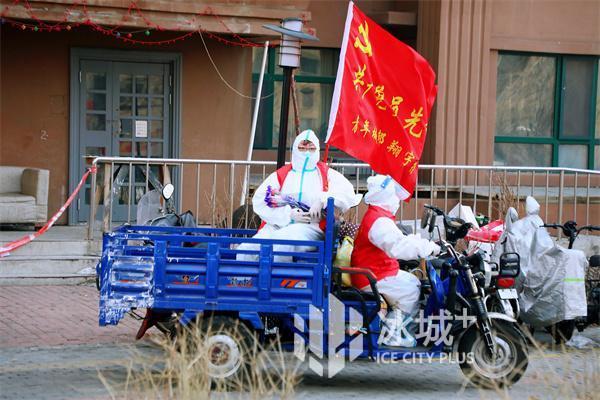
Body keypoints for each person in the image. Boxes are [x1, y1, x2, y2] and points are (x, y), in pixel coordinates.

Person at [237, 129, 361, 262]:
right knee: (246, 249)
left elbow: (347, 193)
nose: (306, 152)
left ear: (317, 150)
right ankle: (246, 281)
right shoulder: (281, 175)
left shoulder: (327, 175)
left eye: (311, 148)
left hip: (310, 227)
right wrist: (287, 214)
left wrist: (322, 200)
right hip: (276, 225)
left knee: (282, 243)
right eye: (302, 148)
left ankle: (278, 281)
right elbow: (260, 201)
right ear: (295, 149)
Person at [351, 174, 440, 347]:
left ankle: (397, 328)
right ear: (386, 197)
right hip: (373, 274)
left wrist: (423, 243)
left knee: (413, 282)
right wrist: (427, 248)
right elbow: (399, 247)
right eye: (394, 196)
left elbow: (400, 239)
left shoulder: (378, 216)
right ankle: (392, 333)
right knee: (411, 291)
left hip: (377, 271)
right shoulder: (379, 222)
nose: (397, 201)